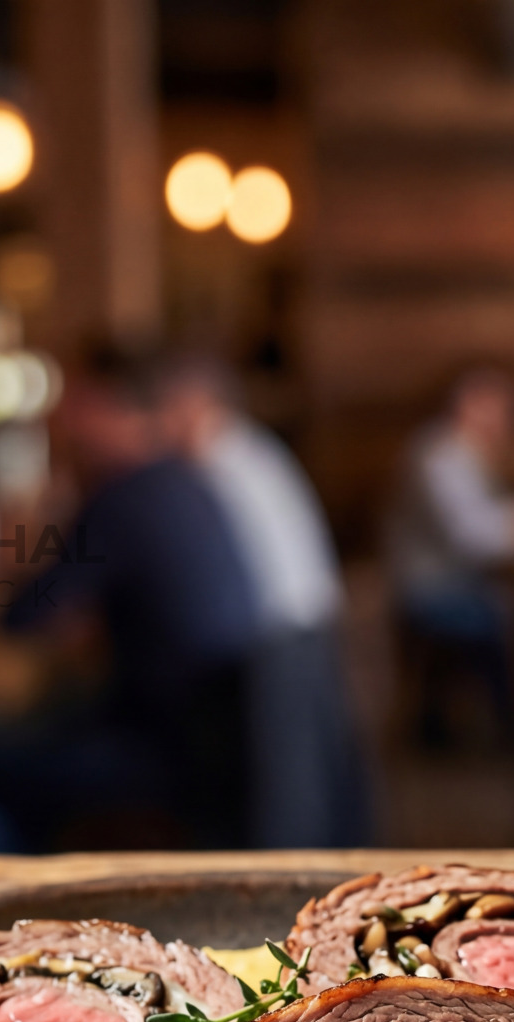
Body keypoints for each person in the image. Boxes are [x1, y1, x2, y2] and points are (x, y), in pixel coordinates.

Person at [0, 351, 260, 850]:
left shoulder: (124, 495)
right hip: (219, 744)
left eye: (78, 408)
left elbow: (25, 617)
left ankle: (11, 908)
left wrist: (15, 549)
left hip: (165, 752)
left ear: (115, 410)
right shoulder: (182, 480)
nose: (63, 424)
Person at [155, 354, 371, 845]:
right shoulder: (251, 449)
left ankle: (295, 903)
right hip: (309, 624)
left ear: (196, 404)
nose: (163, 426)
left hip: (282, 633)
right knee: (314, 779)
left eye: (169, 410)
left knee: (289, 795)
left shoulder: (214, 461)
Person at [385, 367, 514, 740]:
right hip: (431, 591)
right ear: (470, 405)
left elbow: (487, 520)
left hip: (452, 582)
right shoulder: (441, 459)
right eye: (501, 408)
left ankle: (509, 721)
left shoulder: (457, 453)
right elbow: (477, 538)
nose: (509, 421)